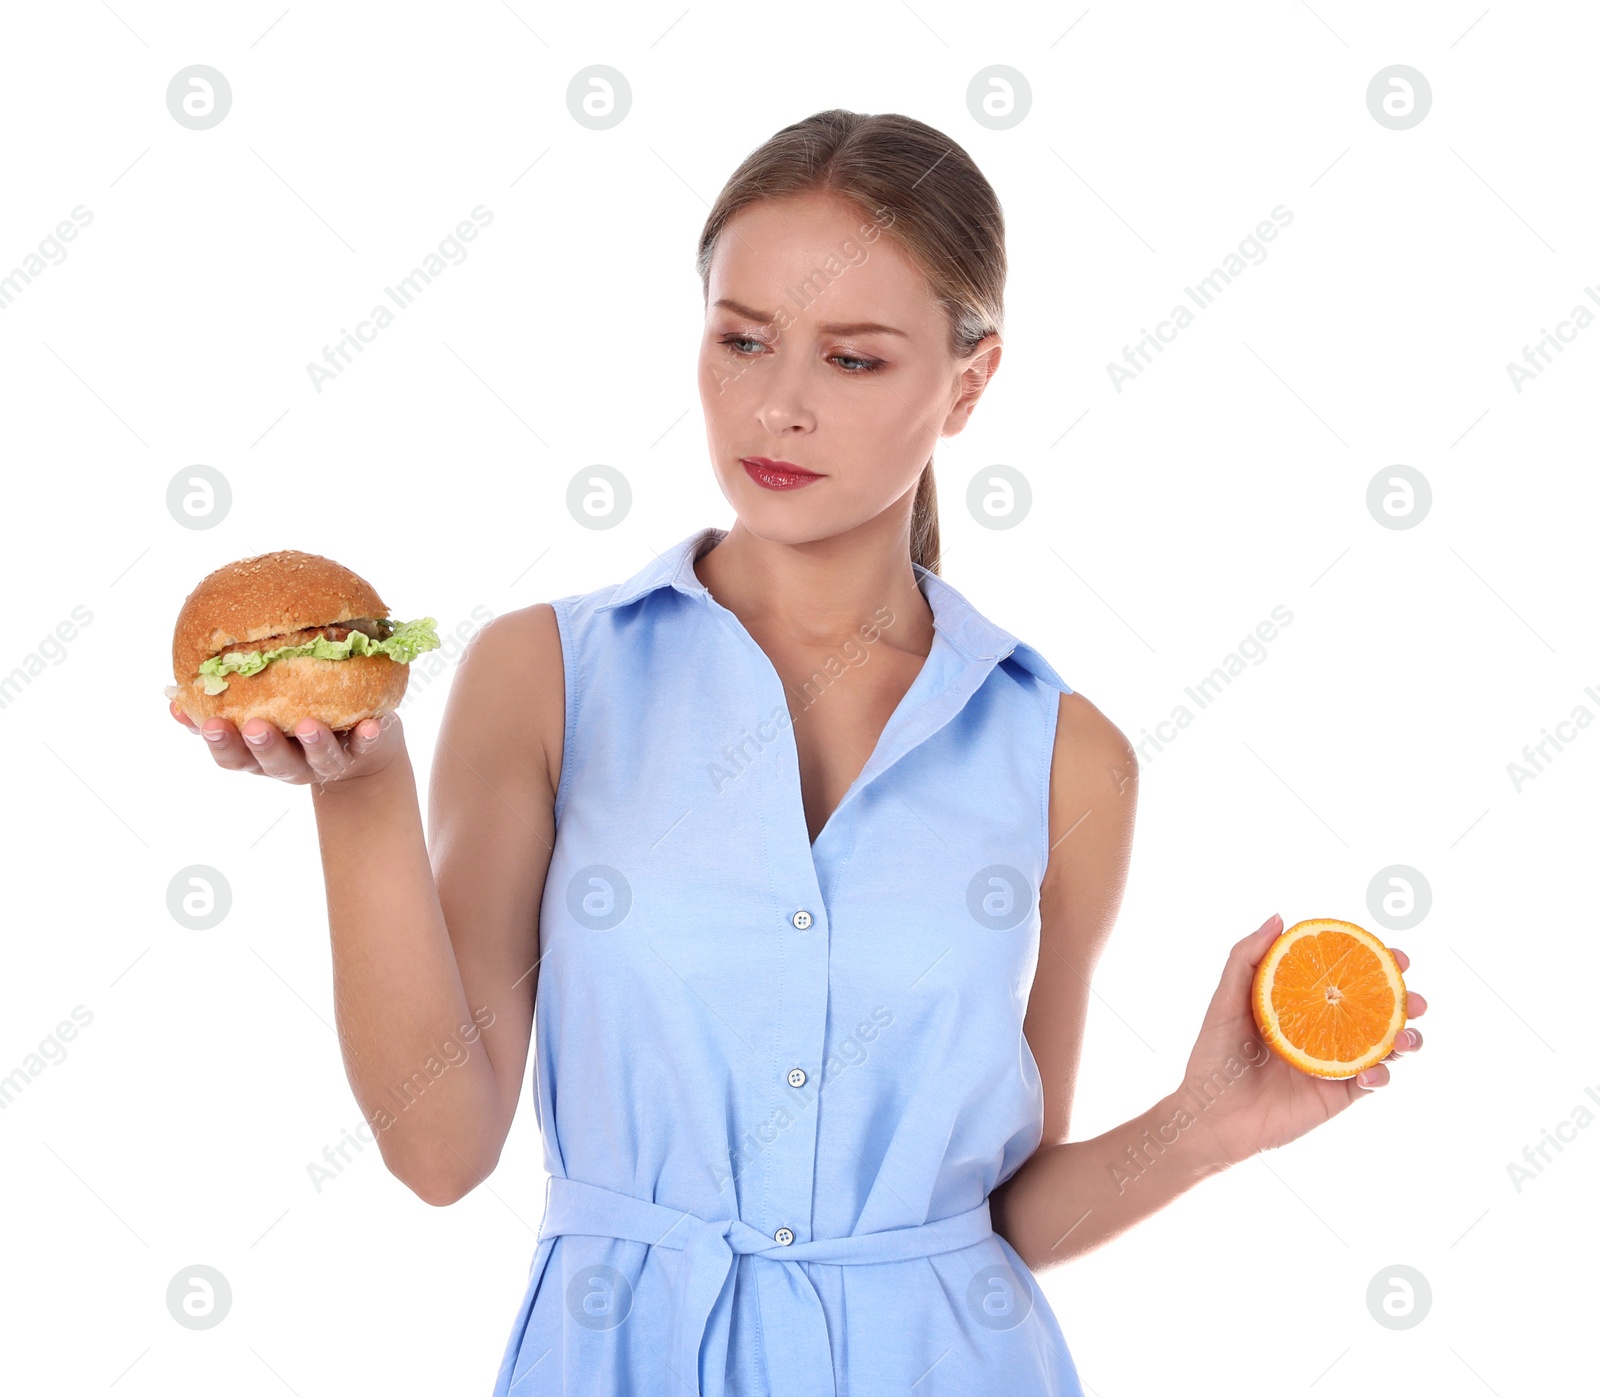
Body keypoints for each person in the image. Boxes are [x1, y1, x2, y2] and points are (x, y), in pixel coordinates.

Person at [171, 109, 1427, 1397]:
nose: (779, 406)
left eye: (856, 360)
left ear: (970, 381)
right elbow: (439, 1151)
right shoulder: (546, 675)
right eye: (743, 341)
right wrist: (357, 790)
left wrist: (1205, 1123)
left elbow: (998, 1222)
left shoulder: (1067, 756)